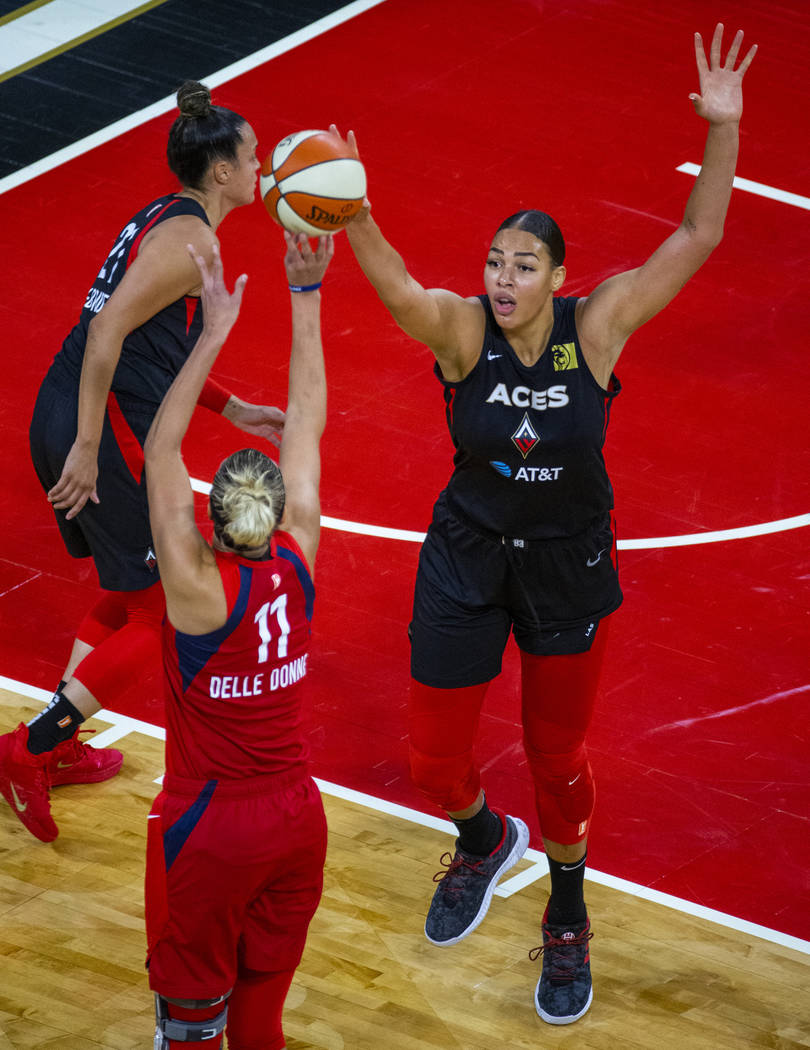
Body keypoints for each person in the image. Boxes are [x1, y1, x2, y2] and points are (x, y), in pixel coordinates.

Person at [338, 24, 756, 1026]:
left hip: (568, 566)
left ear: (558, 277)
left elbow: (695, 240)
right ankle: (484, 840)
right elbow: (397, 287)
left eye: (523, 265)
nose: (502, 278)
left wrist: (724, 132)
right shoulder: (461, 332)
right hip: (468, 554)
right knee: (434, 759)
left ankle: (567, 913)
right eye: (493, 261)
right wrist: (350, 213)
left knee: (560, 759)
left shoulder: (598, 327)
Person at [0, 81, 283, 843]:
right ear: (220, 169)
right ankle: (28, 749)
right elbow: (106, 335)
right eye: (251, 156)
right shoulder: (195, 244)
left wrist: (233, 409)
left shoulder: (168, 218)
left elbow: (153, 342)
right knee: (169, 611)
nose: (260, 166)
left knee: (130, 590)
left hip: (77, 410)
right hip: (103, 428)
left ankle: (52, 743)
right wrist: (89, 450)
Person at [142, 231, 333, 1050]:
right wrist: (306, 296)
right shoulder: (299, 553)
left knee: (191, 1025)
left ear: (210, 523)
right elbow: (310, 426)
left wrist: (214, 330)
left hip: (212, 828)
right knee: (262, 1015)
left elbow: (159, 447)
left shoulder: (197, 591)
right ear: (276, 515)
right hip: (296, 819)